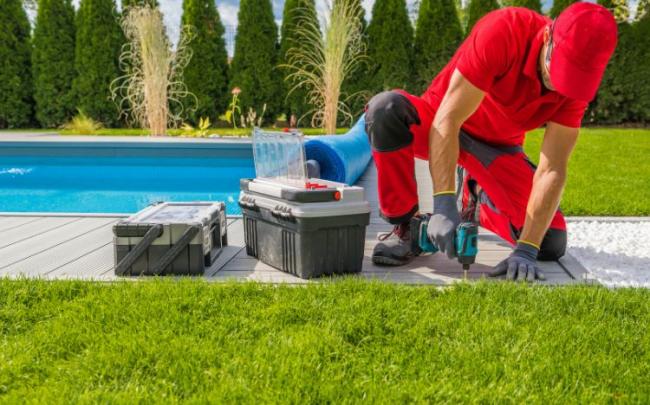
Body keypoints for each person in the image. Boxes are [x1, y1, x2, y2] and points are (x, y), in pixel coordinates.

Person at [366, 3, 618, 281]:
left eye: (570, 79)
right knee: (385, 110)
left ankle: (476, 197)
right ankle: (406, 226)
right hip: (440, 124)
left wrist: (526, 249)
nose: (559, 85)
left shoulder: (575, 89)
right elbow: (448, 120)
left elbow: (553, 168)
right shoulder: (504, 30)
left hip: (496, 149)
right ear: (548, 37)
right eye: (557, 69)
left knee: (549, 241)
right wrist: (443, 204)